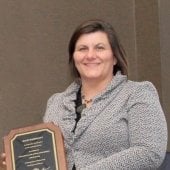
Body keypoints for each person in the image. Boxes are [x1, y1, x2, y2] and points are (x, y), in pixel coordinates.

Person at [0, 19, 167, 170]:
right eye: (82, 49)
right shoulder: (56, 102)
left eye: (99, 48)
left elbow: (149, 151)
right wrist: (19, 163)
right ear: (74, 58)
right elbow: (48, 159)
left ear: (114, 57)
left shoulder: (137, 93)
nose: (90, 55)